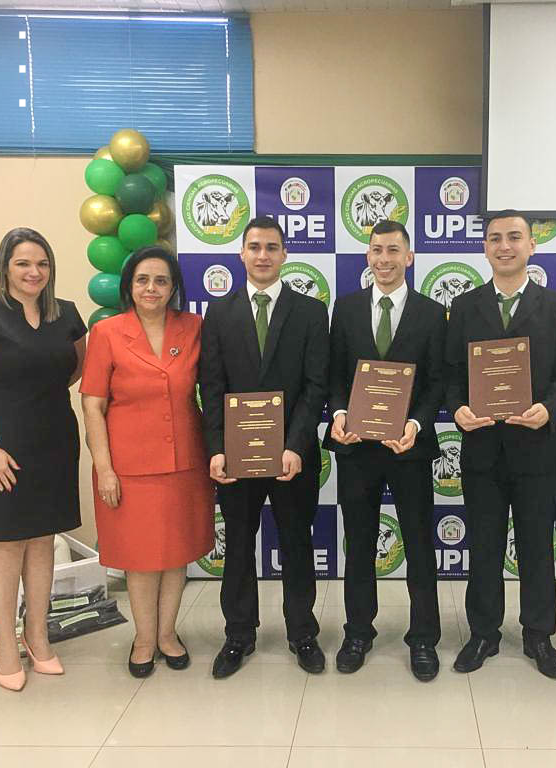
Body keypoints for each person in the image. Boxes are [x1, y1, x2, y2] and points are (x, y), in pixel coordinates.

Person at [444, 210, 556, 679]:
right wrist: (457, 408)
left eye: (514, 237)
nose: (505, 245)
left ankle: (538, 635)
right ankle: (484, 633)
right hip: (482, 450)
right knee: (483, 546)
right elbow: (447, 375)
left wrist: (550, 408)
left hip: (537, 448)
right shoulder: (463, 307)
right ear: (484, 247)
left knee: (537, 547)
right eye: (495, 238)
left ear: (531, 246)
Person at [0, 227, 87, 691]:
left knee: (43, 540)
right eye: (23, 263)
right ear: (5, 267)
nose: (34, 272)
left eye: (42, 264)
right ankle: (7, 645)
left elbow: (76, 368)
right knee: (6, 544)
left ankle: (38, 635)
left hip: (52, 442)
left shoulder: (66, 314)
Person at [199, 216, 329, 678]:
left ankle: (302, 633)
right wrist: (217, 448)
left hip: (293, 458)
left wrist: (295, 444)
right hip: (235, 458)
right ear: (241, 253)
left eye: (272, 247)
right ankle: (238, 635)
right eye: (254, 247)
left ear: (284, 254)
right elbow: (211, 387)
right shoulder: (218, 313)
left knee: (297, 542)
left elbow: (316, 386)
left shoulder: (311, 312)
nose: (262, 255)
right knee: (237, 545)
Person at [80, 246, 213, 679]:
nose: (151, 288)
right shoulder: (107, 332)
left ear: (174, 287)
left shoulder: (194, 328)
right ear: (129, 286)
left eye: (161, 280)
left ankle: (168, 634)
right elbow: (93, 406)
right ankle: (143, 637)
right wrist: (104, 468)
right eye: (142, 280)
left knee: (176, 555)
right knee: (139, 558)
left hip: (184, 462)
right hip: (129, 466)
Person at [324, 220, 447, 681]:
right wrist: (338, 413)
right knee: (359, 544)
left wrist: (416, 423)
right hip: (357, 447)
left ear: (409, 257)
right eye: (376, 250)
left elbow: (437, 382)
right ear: (367, 256)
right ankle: (358, 631)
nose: (384, 259)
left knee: (418, 542)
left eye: (394, 250)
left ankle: (423, 638)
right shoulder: (348, 307)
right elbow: (336, 374)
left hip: (409, 447)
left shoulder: (432, 313)